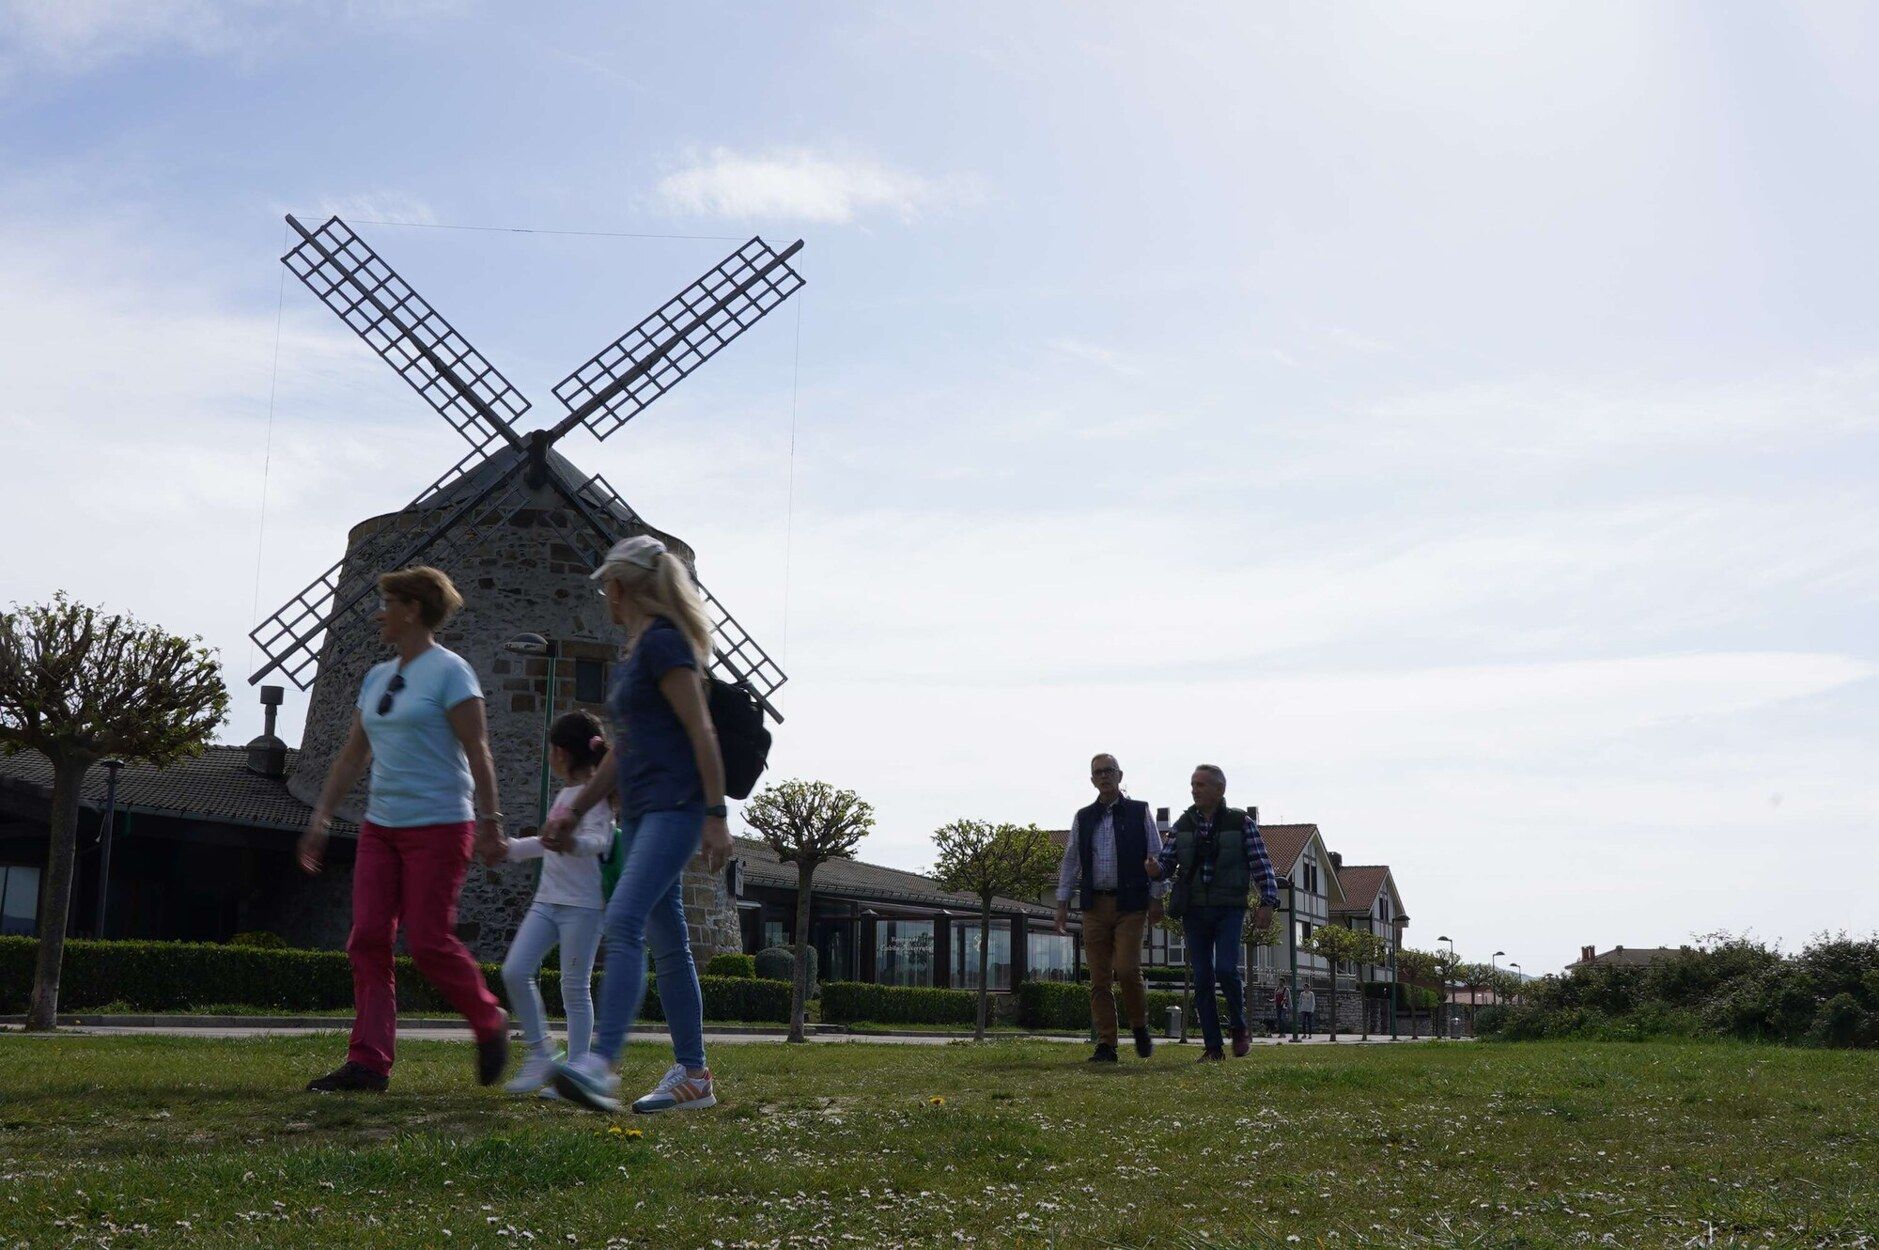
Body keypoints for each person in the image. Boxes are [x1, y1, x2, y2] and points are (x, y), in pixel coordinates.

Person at [297, 565, 510, 1093]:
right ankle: (368, 1062)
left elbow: (476, 750)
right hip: (381, 826)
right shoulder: (375, 677)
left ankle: (489, 1020)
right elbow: (352, 756)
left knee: (430, 941)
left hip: (440, 823)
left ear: (412, 609)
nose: (378, 613)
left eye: (388, 603)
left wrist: (490, 821)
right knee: (367, 938)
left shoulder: (451, 671)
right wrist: (320, 817)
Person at [545, 535, 733, 1115]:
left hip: (675, 811)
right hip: (646, 812)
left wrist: (715, 813)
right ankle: (694, 1074)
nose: (605, 596)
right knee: (668, 943)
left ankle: (599, 1067)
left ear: (622, 586)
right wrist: (577, 807)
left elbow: (700, 729)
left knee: (622, 921)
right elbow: (623, 752)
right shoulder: (636, 653)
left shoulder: (664, 645)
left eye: (607, 585)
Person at [490, 711, 615, 1097]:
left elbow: (601, 842)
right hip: (547, 901)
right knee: (514, 971)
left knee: (574, 988)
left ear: (560, 753)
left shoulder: (597, 797)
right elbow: (545, 845)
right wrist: (508, 849)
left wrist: (573, 843)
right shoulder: (563, 796)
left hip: (583, 906)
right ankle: (542, 1053)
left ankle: (577, 1069)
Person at [1146, 764, 1280, 1061]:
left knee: (1226, 969)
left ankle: (1239, 1026)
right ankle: (1213, 1046)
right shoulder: (1183, 824)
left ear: (1219, 790)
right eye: (1193, 784)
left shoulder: (1240, 822)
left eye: (1201, 785)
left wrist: (1267, 903)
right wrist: (1156, 870)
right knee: (1203, 978)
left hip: (1229, 908)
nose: (1195, 789)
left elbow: (1262, 865)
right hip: (1195, 910)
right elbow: (1166, 864)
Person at [1053, 753, 1164, 1062]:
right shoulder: (1084, 817)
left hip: (1130, 904)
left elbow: (1156, 855)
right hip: (1094, 905)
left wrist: (1157, 898)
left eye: (1109, 771)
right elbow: (1071, 861)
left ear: (1120, 775)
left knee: (1127, 970)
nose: (1104, 776)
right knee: (1099, 978)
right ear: (1092, 780)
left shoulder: (1139, 812)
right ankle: (1107, 1044)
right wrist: (1062, 903)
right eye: (1098, 772)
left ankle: (1140, 1027)